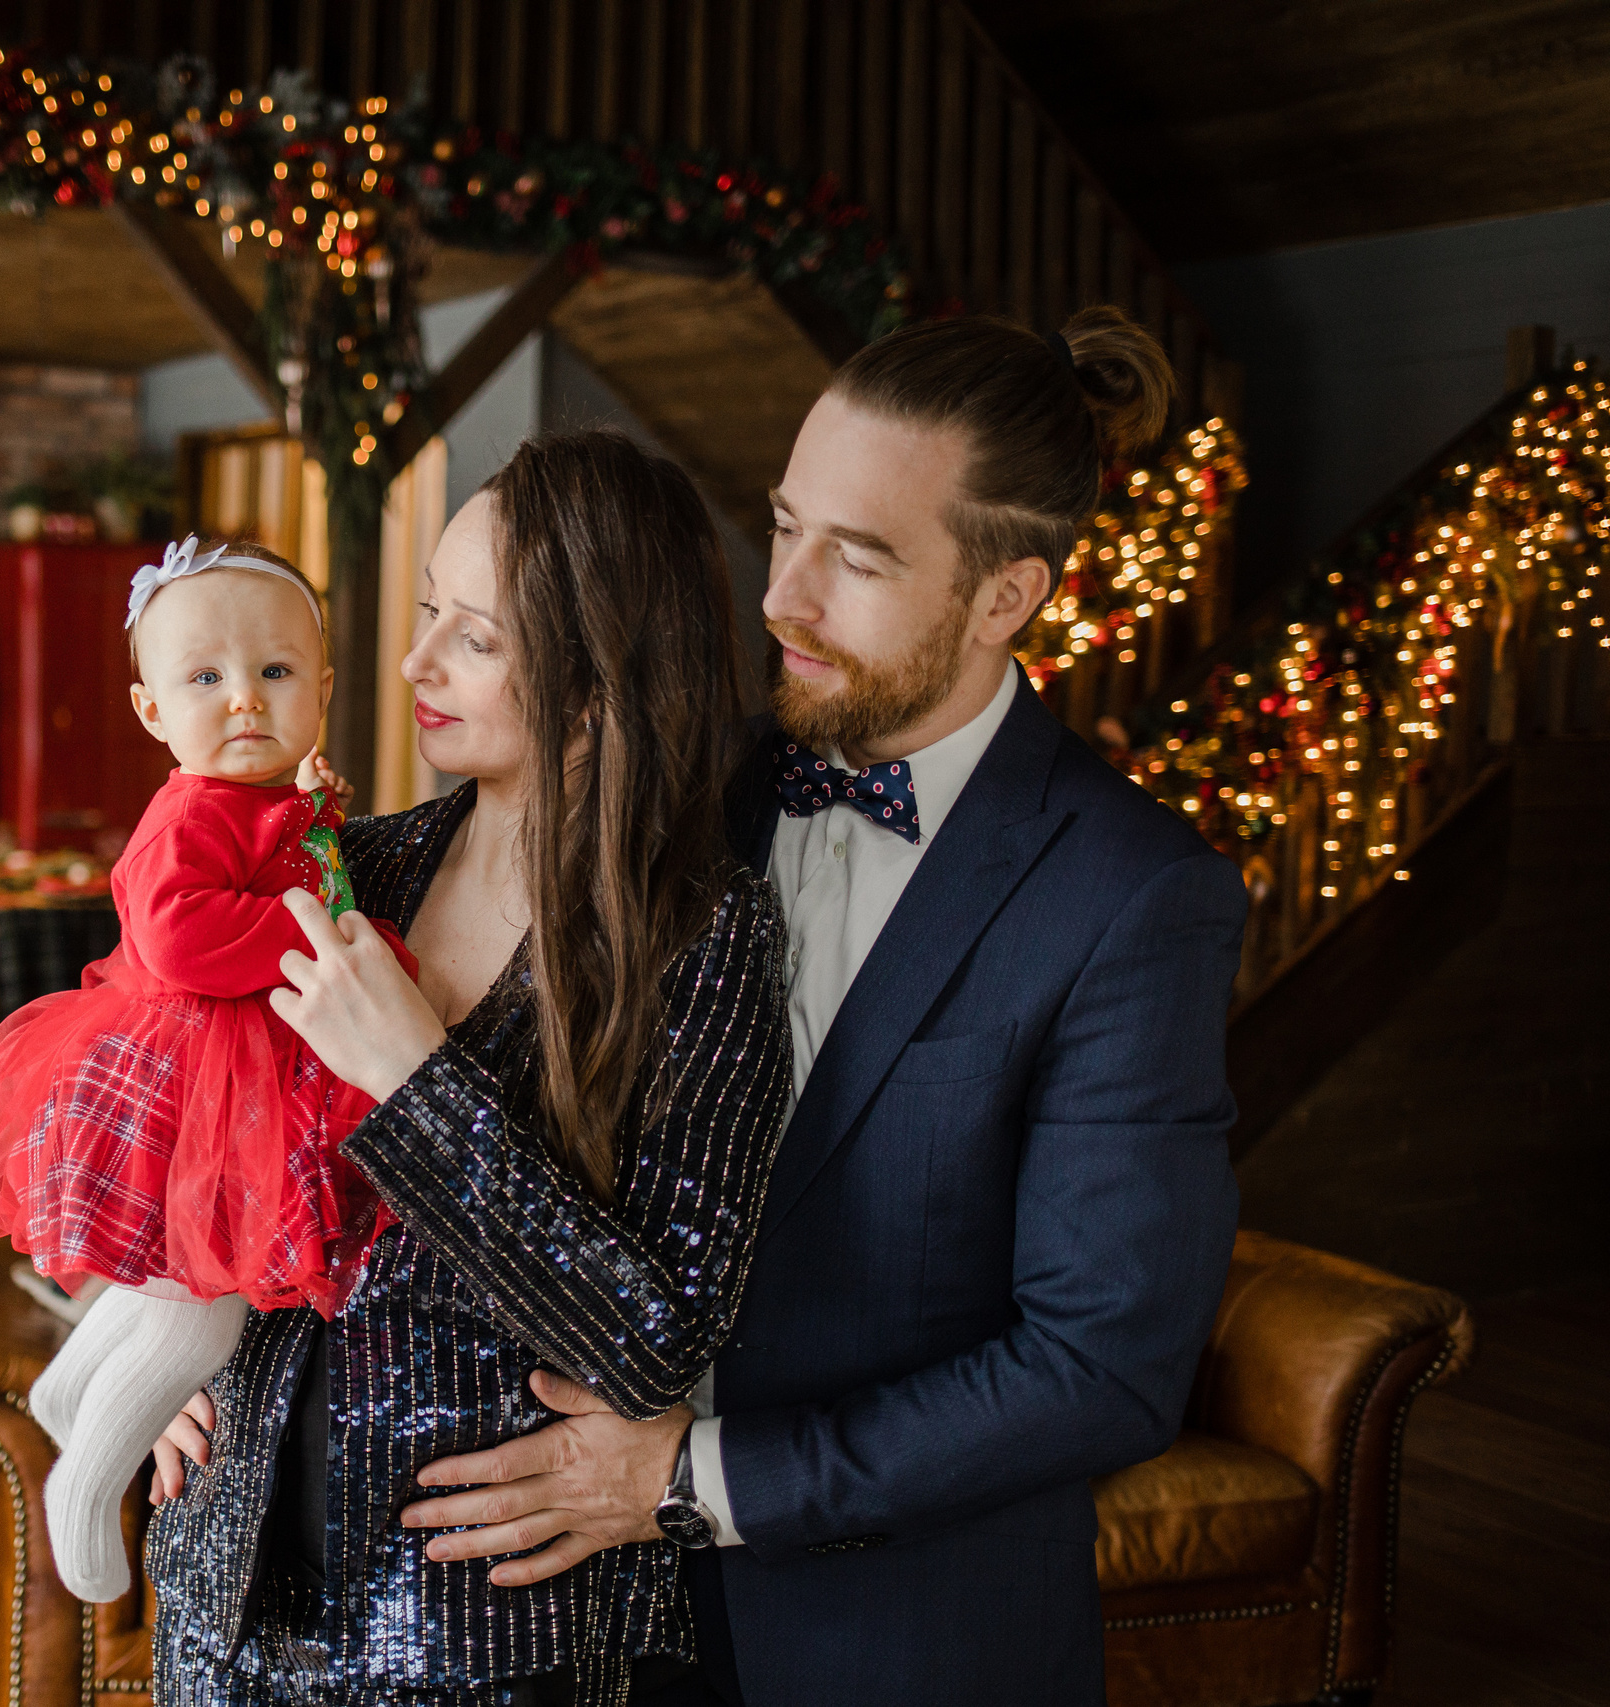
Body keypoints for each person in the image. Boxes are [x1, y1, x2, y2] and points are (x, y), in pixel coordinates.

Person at [388, 308, 1250, 1704]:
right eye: (786, 525)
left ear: (1004, 595)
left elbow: (1098, 1365)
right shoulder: (660, 787)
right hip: (579, 1628)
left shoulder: (1134, 897)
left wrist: (687, 1476)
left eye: (856, 558)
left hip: (897, 1641)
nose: (783, 595)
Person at [143, 431, 795, 1706]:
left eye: (475, 637)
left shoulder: (704, 940)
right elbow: (164, 1114)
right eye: (429, 608)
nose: (412, 660)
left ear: (599, 685)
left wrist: (417, 1079)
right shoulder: (348, 868)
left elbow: (657, 1340)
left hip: (482, 1643)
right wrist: (157, 1337)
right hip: (226, 1594)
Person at [0, 537, 414, 1603]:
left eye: (276, 673)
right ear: (153, 711)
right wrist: (323, 935)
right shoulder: (191, 811)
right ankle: (84, 1481)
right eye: (206, 679)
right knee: (200, 1301)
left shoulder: (272, 797)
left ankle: (65, 1396)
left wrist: (319, 820)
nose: (244, 700)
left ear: (323, 690)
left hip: (231, 1082)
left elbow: (297, 858)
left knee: (166, 1278)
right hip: (184, 1082)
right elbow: (183, 934)